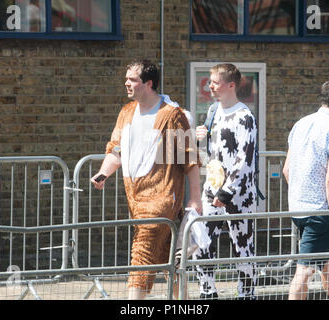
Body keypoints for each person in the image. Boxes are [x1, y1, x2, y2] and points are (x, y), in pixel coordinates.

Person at [91, 59, 202, 300]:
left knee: (141, 254)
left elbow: (189, 159)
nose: (126, 83)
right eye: (127, 78)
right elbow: (116, 150)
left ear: (149, 84)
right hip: (136, 201)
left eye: (132, 80)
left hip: (160, 200)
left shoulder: (170, 116)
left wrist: (195, 199)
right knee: (167, 260)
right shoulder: (127, 113)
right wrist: (103, 173)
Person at [283, 79, 329, 300]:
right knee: (304, 271)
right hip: (320, 211)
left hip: (297, 208)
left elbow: (286, 170)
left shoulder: (300, 123)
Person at [194, 63, 257, 300]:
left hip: (239, 194)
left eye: (215, 82)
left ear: (231, 85)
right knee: (202, 240)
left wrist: (228, 191)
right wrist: (201, 140)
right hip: (212, 188)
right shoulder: (212, 112)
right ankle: (207, 292)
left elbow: (245, 157)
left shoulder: (245, 116)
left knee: (242, 247)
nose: (210, 85)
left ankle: (246, 294)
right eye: (210, 81)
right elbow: (209, 156)